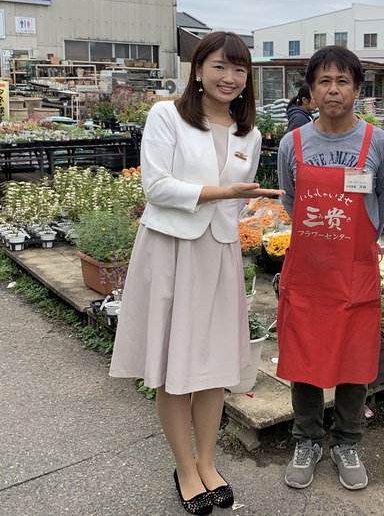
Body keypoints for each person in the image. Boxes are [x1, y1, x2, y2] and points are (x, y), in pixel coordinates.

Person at [110, 31, 283, 516]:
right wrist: (223, 195)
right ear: (199, 69)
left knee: (210, 368)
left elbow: (238, 196)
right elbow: (158, 186)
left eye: (239, 70)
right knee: (175, 368)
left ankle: (208, 462)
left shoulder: (250, 132)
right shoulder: (167, 115)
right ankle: (185, 467)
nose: (229, 78)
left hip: (220, 252)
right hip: (170, 250)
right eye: (219, 67)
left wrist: (251, 207)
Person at [276, 45, 384, 492]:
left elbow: (381, 204)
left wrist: (354, 240)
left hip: (354, 271)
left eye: (342, 81)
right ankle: (306, 438)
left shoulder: (378, 143)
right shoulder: (294, 142)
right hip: (307, 271)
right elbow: (290, 198)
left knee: (354, 360)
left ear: (358, 89)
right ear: (311, 89)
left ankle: (347, 441)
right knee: (304, 358)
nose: (332, 90)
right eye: (323, 81)